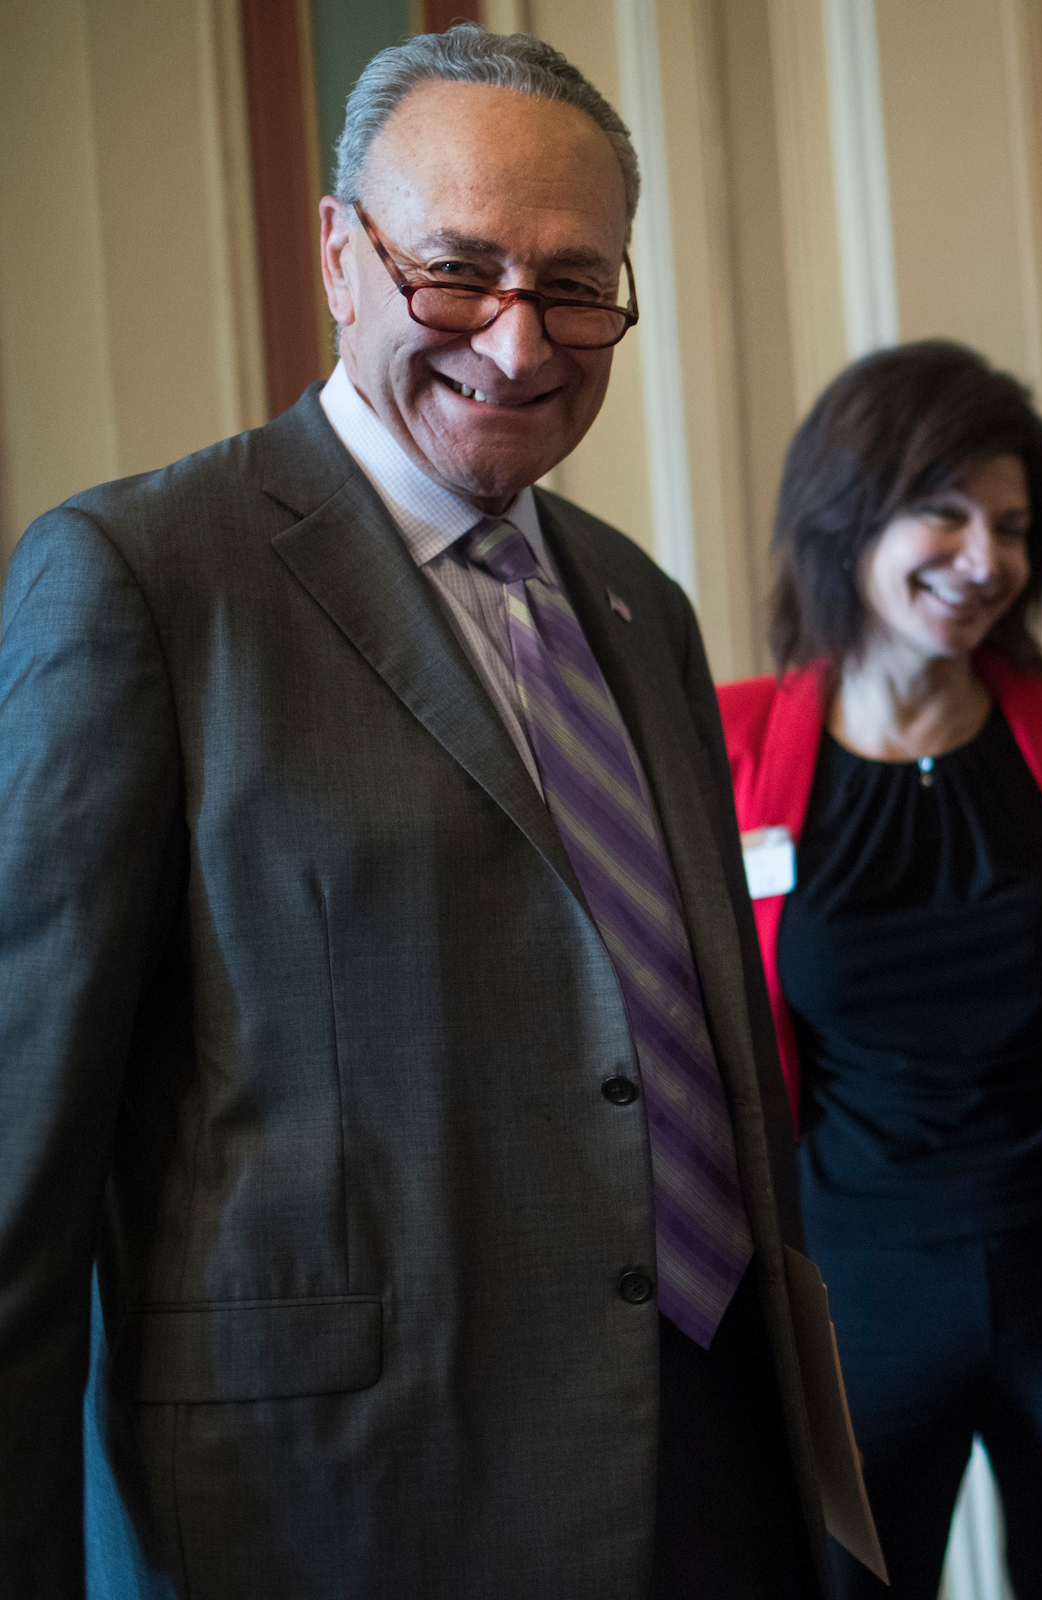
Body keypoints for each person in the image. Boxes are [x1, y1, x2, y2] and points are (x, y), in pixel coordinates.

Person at [0, 27, 830, 1600]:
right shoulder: (144, 582)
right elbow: (17, 1167)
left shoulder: (641, 609)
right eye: (457, 272)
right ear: (339, 254)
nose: (518, 346)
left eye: (577, 288)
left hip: (712, 1472)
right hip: (336, 1517)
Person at [717, 339, 1042, 1600]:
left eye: (1010, 525)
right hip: (857, 1295)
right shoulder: (731, 741)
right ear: (848, 514)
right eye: (942, 513)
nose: (984, 557)